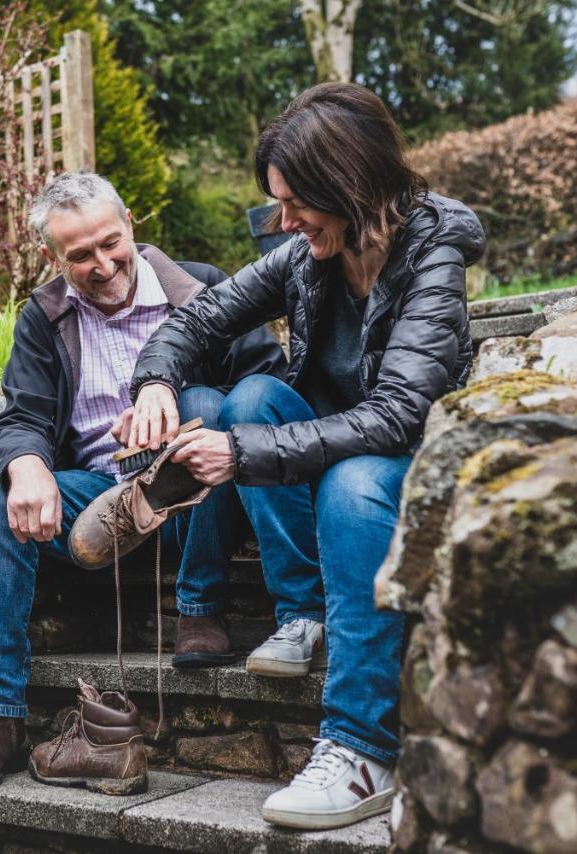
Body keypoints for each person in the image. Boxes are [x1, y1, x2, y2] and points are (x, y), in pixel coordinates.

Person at [123, 83, 485, 829]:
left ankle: (359, 750)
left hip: (399, 458)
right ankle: (306, 612)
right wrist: (157, 381)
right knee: (252, 395)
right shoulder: (305, 255)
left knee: (349, 485)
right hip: (321, 445)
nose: (281, 223)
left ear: (347, 184)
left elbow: (397, 416)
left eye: (295, 204)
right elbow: (197, 321)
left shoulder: (433, 251)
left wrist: (243, 454)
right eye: (278, 204)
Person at [0, 172, 286, 792]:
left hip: (200, 508)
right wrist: (27, 467)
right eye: (79, 255)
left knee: (208, 398)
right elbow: (22, 415)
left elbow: (267, 387)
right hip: (100, 503)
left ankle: (199, 609)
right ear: (51, 257)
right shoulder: (43, 316)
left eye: (110, 243)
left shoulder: (203, 287)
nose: (102, 265)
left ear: (131, 224)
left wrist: (180, 411)